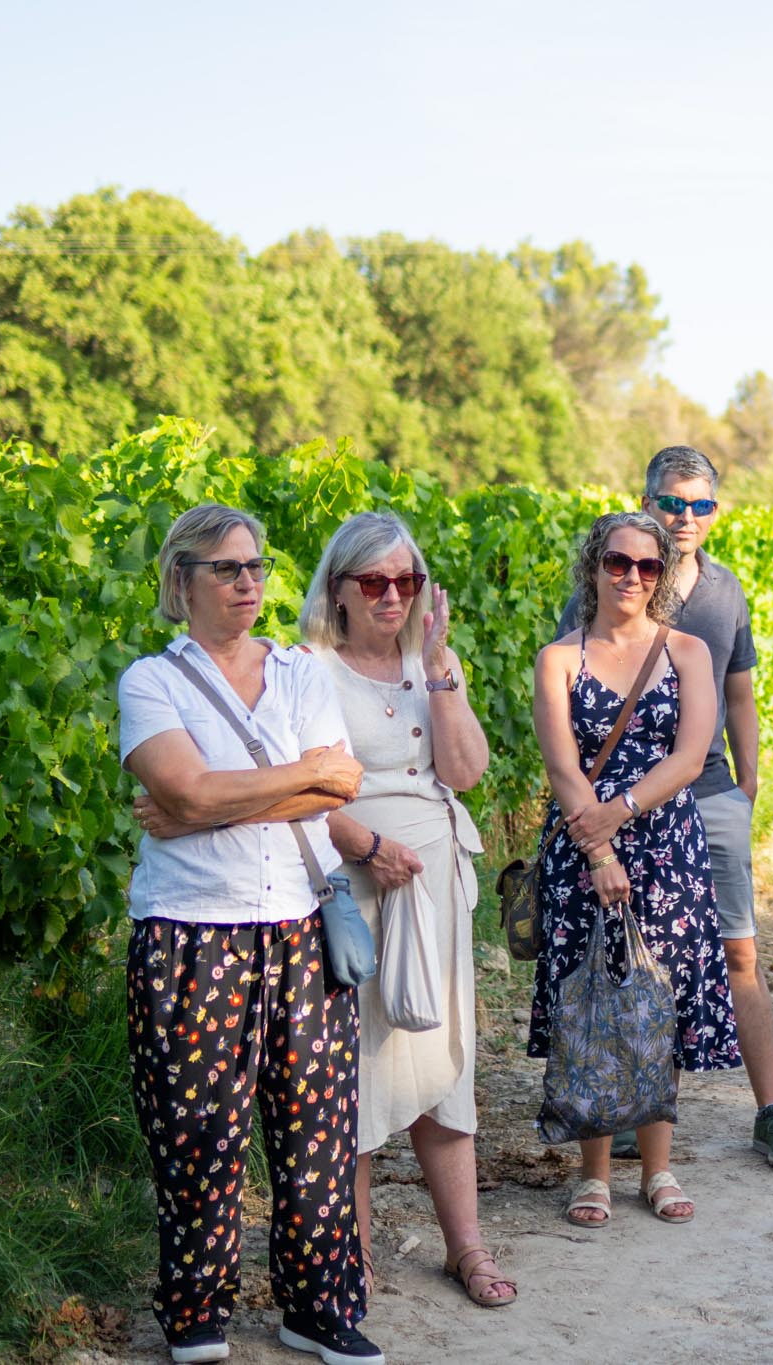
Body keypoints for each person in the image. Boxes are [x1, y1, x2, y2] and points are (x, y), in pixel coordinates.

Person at [118, 504, 382, 1364]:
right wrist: (295, 774)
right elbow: (183, 789)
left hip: (300, 927)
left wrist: (212, 798)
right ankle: (197, 1312)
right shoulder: (149, 682)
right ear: (181, 580)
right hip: (191, 935)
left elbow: (337, 786)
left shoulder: (302, 674)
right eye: (227, 568)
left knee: (316, 1133)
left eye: (257, 567)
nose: (248, 582)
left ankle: (316, 1309)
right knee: (197, 1132)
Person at [557, 447, 773, 1170]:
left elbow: (741, 693)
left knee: (737, 948)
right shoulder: (605, 578)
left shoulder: (725, 591)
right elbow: (571, 698)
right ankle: (625, 1129)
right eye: (673, 502)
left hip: (705, 792)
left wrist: (748, 784)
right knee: (624, 960)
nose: (686, 517)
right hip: (619, 808)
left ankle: (771, 1108)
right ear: (646, 501)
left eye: (701, 504)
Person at [295, 512, 514, 1309]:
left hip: (437, 888)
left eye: (408, 581)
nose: (394, 595)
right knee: (357, 1067)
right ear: (340, 589)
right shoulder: (308, 669)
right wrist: (362, 842)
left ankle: (467, 1248)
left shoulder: (431, 665)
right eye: (376, 582)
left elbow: (466, 771)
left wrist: (443, 674)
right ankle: (348, 1261)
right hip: (358, 890)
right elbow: (291, 792)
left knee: (442, 1061)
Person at [530, 512, 740, 1228]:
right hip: (586, 852)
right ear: (594, 566)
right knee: (593, 1005)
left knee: (661, 1003)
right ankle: (592, 1173)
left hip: (666, 850)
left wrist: (616, 814)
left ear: (660, 576)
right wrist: (597, 851)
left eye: (648, 566)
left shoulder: (686, 651)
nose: (631, 577)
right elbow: (561, 764)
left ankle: (657, 1167)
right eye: (618, 562)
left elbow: (690, 757)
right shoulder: (560, 657)